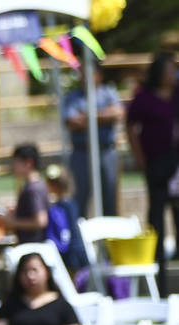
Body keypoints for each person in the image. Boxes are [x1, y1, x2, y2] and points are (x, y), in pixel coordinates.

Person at [125, 51, 179, 296]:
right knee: (156, 221)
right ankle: (160, 284)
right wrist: (140, 158)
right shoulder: (145, 98)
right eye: (168, 69)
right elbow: (130, 126)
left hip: (177, 165)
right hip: (157, 165)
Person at [63, 61, 123, 217]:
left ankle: (111, 237)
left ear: (99, 75)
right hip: (82, 153)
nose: (84, 77)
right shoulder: (73, 96)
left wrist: (88, 116)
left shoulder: (108, 93)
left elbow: (117, 113)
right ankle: (79, 237)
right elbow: (71, 122)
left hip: (106, 151)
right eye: (82, 73)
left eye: (88, 73)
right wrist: (103, 116)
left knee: (110, 197)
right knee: (80, 198)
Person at [44, 165, 91, 287]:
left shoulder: (61, 207)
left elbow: (63, 232)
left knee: (72, 284)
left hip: (71, 251)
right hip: (77, 249)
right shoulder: (71, 203)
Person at [5, 143, 49, 244]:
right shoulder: (37, 184)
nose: (13, 167)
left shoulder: (33, 189)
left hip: (33, 245)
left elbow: (40, 220)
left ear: (29, 163)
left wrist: (13, 222)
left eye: (16, 162)